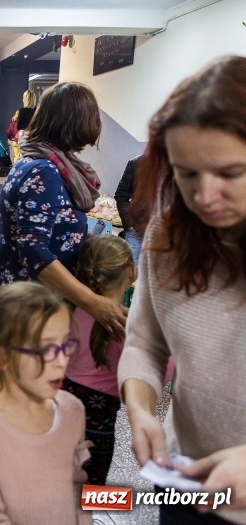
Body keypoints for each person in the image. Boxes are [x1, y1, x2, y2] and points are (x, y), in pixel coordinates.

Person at [119, 56, 246, 524]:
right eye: (186, 174)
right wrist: (140, 409)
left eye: (230, 173)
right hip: (186, 484)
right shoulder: (168, 237)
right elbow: (144, 343)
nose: (205, 197)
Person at [0, 82, 128, 341]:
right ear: (76, 122)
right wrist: (94, 303)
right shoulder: (44, 171)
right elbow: (34, 251)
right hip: (31, 310)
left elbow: (52, 232)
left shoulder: (37, 162)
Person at [0, 281, 91, 525]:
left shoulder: (72, 410)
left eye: (66, 344)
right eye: (46, 349)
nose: (62, 361)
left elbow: (77, 487)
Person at [62, 234, 135, 485]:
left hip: (62, 408)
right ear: (131, 271)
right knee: (91, 488)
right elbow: (158, 374)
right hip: (99, 423)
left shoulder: (70, 309)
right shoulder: (125, 324)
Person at [114, 154, 144, 264]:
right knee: (131, 270)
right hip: (137, 232)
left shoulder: (178, 166)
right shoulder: (136, 163)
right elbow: (121, 195)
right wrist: (130, 225)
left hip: (165, 236)